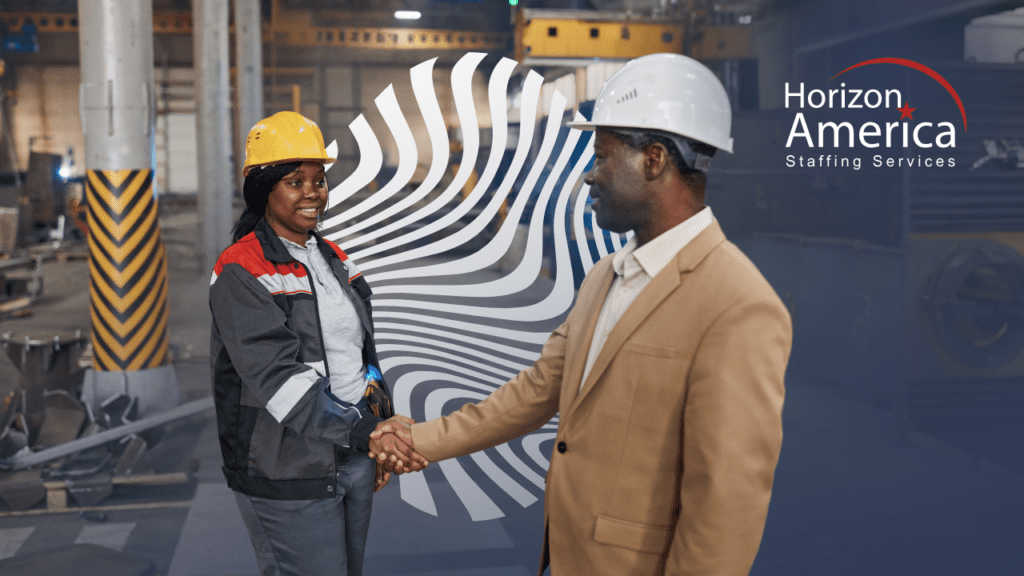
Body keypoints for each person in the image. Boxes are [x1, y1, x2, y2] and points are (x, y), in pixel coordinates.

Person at [372, 54, 793, 575]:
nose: (590, 176)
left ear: (654, 159)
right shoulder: (605, 277)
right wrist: (418, 439)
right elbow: (537, 390)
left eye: (602, 156)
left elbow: (726, 501)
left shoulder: (737, 304)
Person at [209, 111, 426, 576]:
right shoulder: (241, 269)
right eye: (294, 181)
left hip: (352, 454)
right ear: (263, 189)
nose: (312, 192)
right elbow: (277, 379)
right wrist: (366, 433)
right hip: (287, 467)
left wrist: (379, 420)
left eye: (319, 180)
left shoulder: (332, 258)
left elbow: (360, 356)